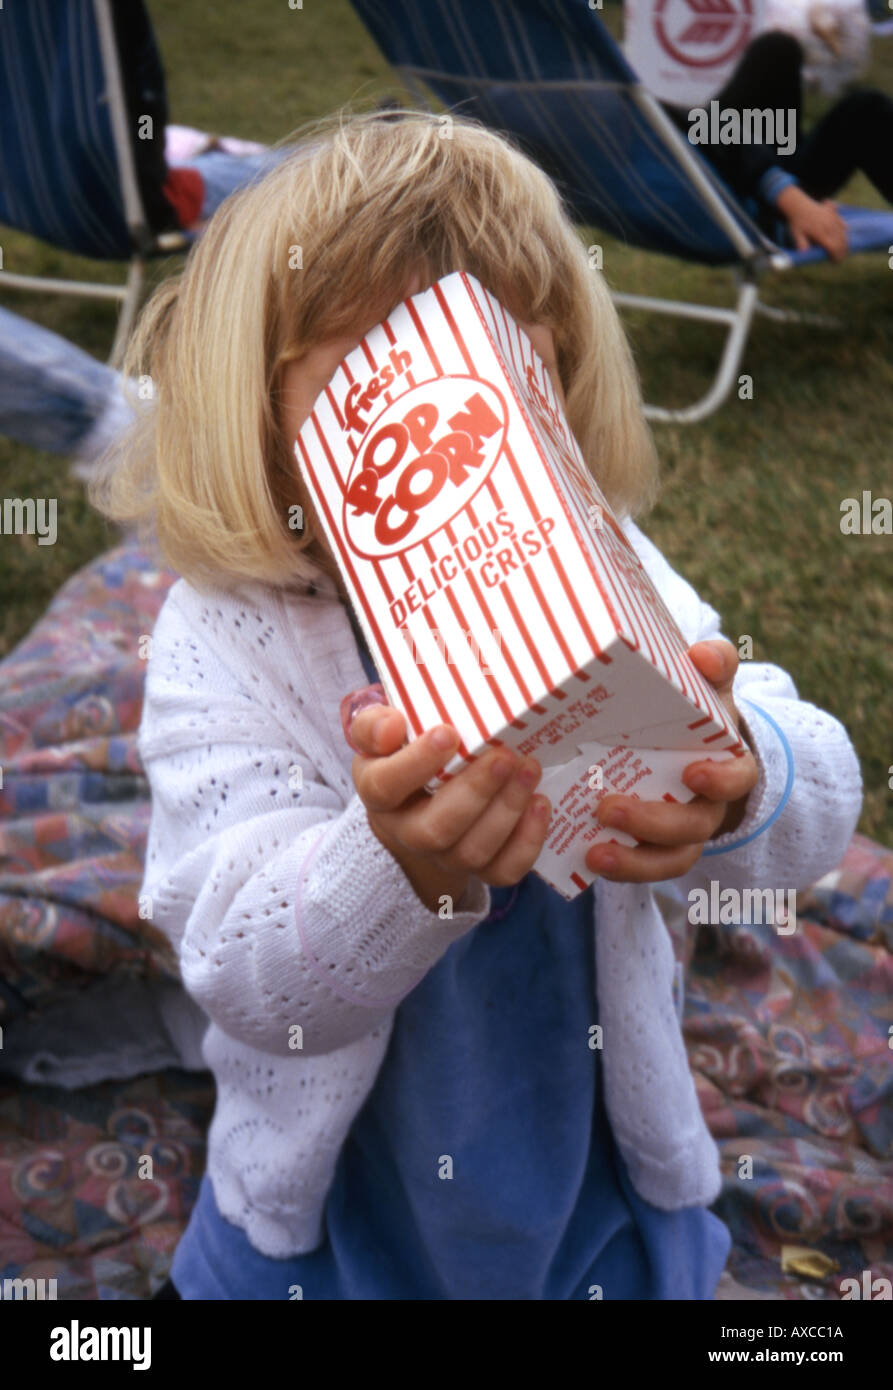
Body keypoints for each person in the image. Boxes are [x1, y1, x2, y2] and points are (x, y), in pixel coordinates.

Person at [90, 110, 862, 1300]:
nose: (452, 440)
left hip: (583, 1150)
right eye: (374, 387)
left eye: (503, 374)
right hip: (345, 1197)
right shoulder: (229, 633)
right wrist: (389, 867)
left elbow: (806, 811)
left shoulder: (609, 560)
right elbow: (241, 971)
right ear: (262, 419)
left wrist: (737, 781)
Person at [664, 30, 893, 262]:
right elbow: (703, 127)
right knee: (866, 111)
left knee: (779, 49)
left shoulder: (633, 100)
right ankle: (780, 192)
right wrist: (784, 193)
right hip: (751, 201)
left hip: (730, 164)